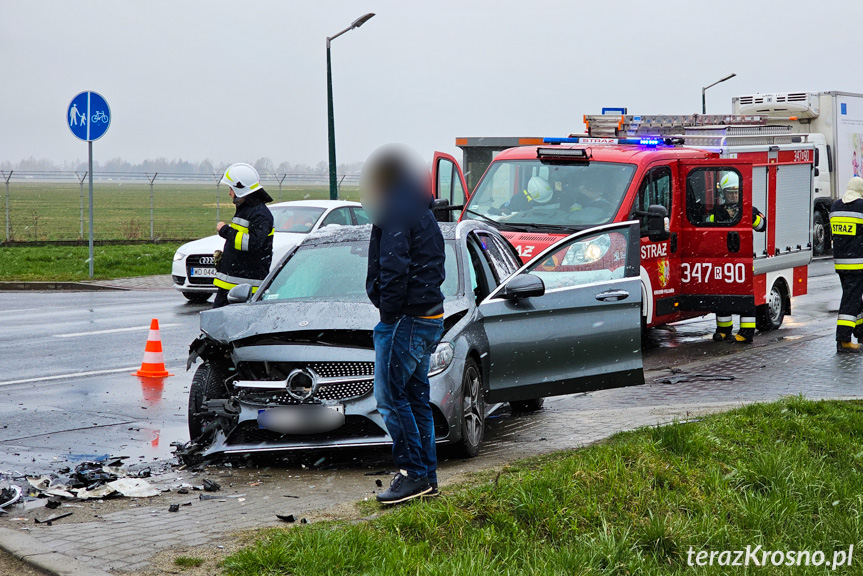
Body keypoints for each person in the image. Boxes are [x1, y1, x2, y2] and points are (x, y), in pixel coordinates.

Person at [362, 145, 446, 505]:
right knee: (415, 400)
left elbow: (394, 267)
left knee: (391, 399)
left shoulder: (395, 209)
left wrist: (388, 314)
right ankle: (427, 477)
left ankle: (411, 474)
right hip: (427, 315)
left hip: (405, 319)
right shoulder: (420, 209)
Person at [710, 172, 767, 343]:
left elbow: (763, 226)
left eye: (736, 192)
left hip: (743, 260)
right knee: (722, 296)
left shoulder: (749, 209)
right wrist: (723, 218)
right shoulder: (717, 211)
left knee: (745, 297)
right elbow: (710, 228)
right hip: (724, 260)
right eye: (730, 192)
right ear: (724, 194)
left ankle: (746, 332)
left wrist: (749, 216)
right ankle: (723, 329)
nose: (734, 196)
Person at [212, 163, 275, 308]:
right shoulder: (246, 210)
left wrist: (225, 231)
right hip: (233, 285)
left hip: (245, 288)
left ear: (241, 189)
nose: (229, 193)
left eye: (231, 189)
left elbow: (253, 244)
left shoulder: (260, 214)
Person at [830, 177, 863, 353]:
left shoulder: (835, 206)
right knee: (850, 301)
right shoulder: (860, 206)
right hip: (857, 263)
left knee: (854, 298)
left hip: (841, 262)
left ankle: (860, 332)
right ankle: (843, 340)